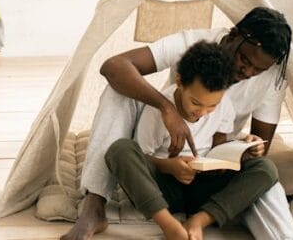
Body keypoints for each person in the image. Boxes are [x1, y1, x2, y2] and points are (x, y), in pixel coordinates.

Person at [63, 7, 293, 240]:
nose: (248, 71)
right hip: (165, 162)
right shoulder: (192, 44)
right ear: (234, 35)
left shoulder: (270, 77)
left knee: (266, 174)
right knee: (118, 93)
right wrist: (167, 109)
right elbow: (113, 66)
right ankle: (94, 205)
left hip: (212, 166)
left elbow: (259, 152)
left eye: (259, 69)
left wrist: (248, 148)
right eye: (244, 59)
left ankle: (205, 219)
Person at [106, 41, 279, 240]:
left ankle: (199, 220)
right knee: (120, 149)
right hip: (163, 190)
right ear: (179, 82)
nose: (203, 112)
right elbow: (142, 157)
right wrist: (170, 167)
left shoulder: (225, 105)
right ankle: (169, 225)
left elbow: (219, 148)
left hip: (202, 187)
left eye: (212, 106)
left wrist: (243, 147)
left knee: (266, 168)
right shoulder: (158, 109)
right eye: (196, 103)